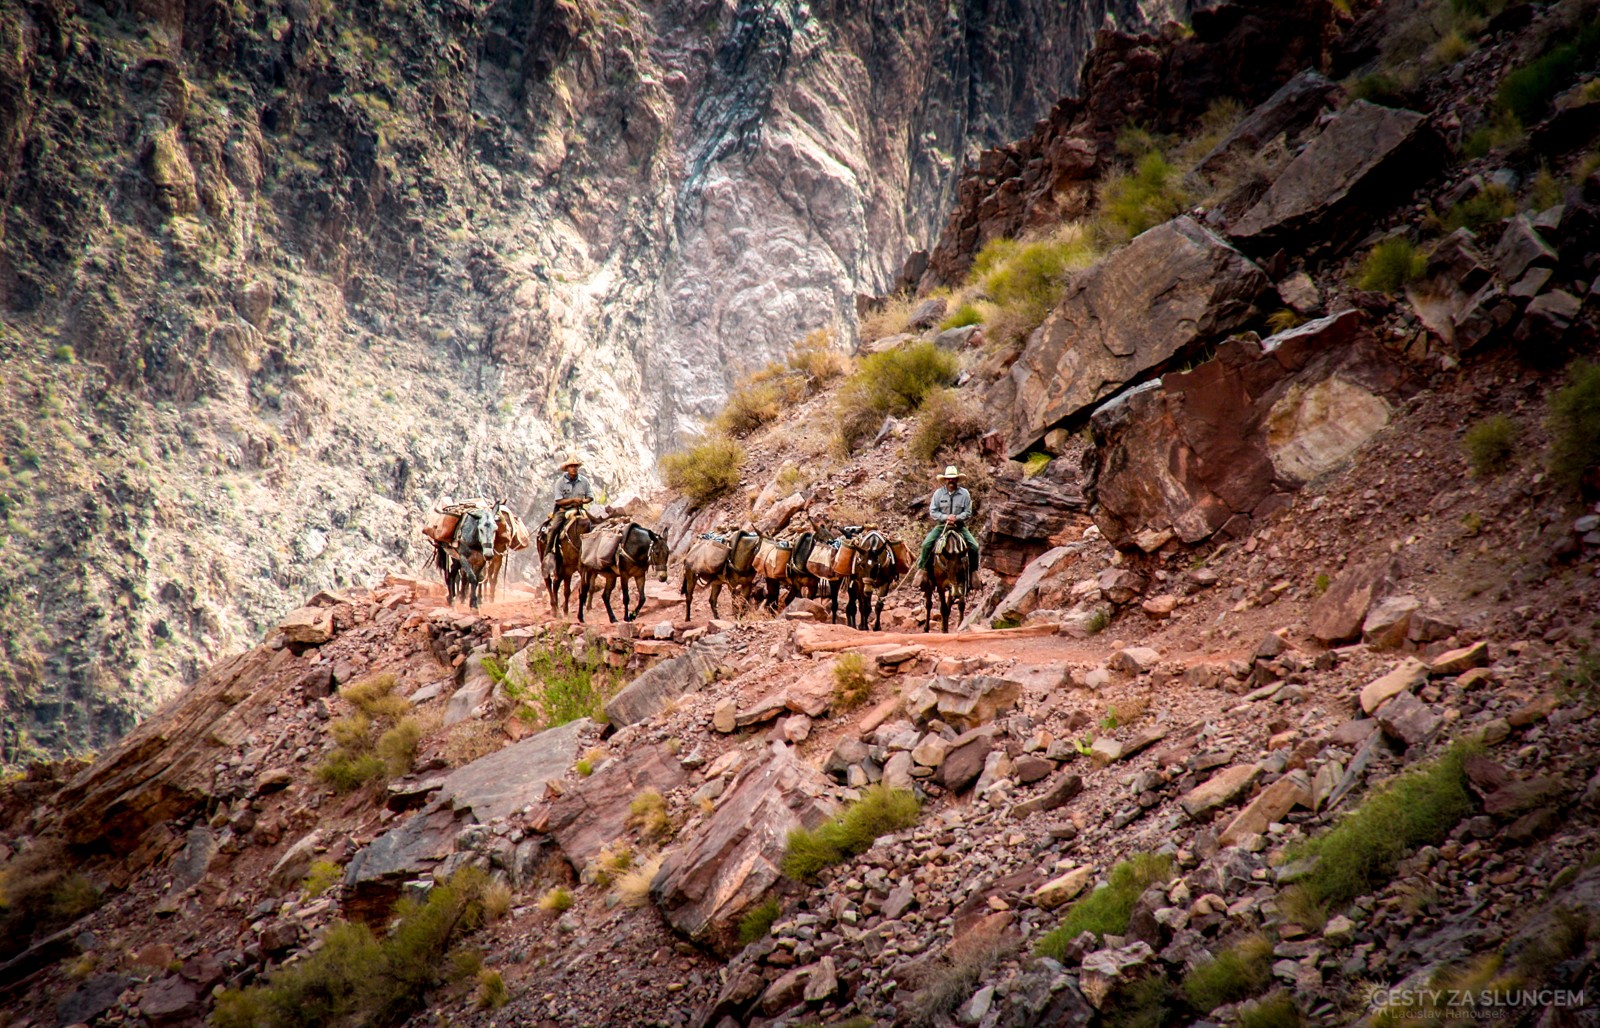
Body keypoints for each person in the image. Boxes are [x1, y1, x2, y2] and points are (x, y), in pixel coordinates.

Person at [918, 465, 980, 582]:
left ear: (957, 479)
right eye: (949, 478)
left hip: (959, 526)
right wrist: (946, 517)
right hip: (942, 526)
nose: (951, 480)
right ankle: (922, 570)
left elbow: (968, 512)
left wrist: (956, 518)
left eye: (953, 478)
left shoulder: (965, 493)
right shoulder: (938, 494)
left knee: (974, 547)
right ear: (945, 480)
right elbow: (933, 511)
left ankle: (973, 572)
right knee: (926, 545)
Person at [542, 457, 593, 552]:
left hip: (579, 510)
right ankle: (548, 552)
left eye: (575, 466)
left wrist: (583, 501)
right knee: (554, 528)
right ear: (567, 468)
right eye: (571, 466)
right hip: (563, 511)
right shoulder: (560, 482)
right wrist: (573, 500)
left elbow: (590, 497)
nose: (574, 468)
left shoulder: (584, 481)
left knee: (592, 525)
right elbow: (559, 501)